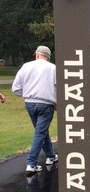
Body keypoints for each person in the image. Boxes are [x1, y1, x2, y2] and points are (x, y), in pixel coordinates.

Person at [11, 45, 57, 175]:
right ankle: (31, 163)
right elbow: (58, 88)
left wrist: (26, 94)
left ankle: (51, 156)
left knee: (41, 131)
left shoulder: (26, 66)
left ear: (37, 54)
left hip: (30, 103)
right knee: (40, 132)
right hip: (46, 104)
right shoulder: (53, 68)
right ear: (48, 57)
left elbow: (16, 88)